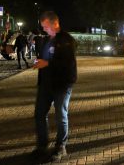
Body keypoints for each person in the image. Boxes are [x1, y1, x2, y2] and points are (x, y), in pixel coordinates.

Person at [32, 11, 77, 162]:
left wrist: (47, 63)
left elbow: (68, 64)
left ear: (54, 23)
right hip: (45, 84)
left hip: (61, 84)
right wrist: (40, 62)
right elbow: (46, 59)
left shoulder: (66, 40)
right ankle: (42, 146)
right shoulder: (46, 40)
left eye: (45, 26)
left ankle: (61, 146)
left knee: (60, 116)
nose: (43, 29)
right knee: (39, 114)